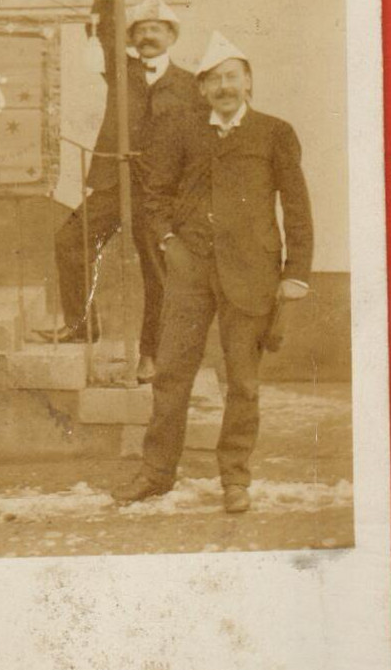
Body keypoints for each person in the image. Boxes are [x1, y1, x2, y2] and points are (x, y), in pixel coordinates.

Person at [112, 32, 314, 512]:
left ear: (247, 82)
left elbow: (297, 207)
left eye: (232, 77)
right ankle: (157, 473)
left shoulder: (274, 132)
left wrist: (295, 271)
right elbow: (154, 194)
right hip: (190, 271)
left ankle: (235, 479)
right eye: (214, 80)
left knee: (242, 382)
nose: (224, 87)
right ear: (201, 88)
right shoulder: (181, 129)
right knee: (171, 375)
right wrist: (168, 244)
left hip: (253, 274)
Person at [45, 0, 200, 383]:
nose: (148, 35)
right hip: (115, 181)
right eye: (142, 29)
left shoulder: (190, 86)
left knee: (159, 273)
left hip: (159, 195)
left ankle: (150, 355)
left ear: (172, 36)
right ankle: (82, 325)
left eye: (157, 29)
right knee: (70, 242)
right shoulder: (120, 68)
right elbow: (104, 27)